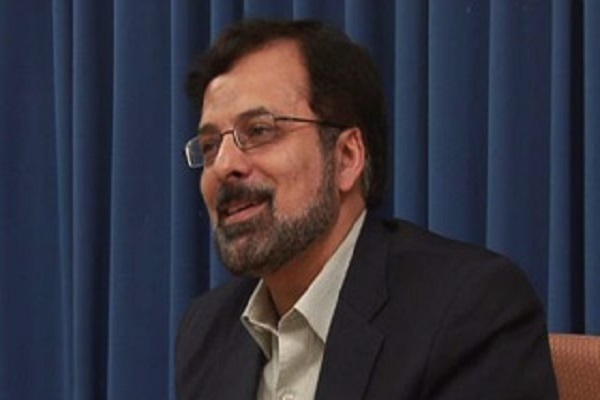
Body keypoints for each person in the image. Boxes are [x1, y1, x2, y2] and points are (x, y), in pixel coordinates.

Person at [175, 19, 558, 400]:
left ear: (347, 157)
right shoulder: (207, 331)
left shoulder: (468, 310)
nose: (223, 166)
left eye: (259, 130)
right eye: (210, 146)